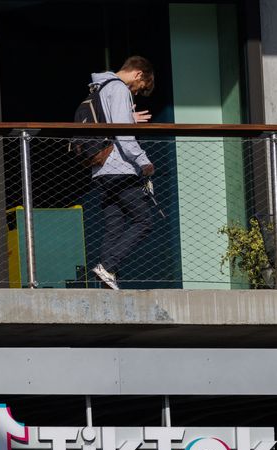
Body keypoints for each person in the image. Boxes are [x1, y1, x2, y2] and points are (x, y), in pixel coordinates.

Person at [89, 56, 156, 290]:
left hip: (100, 169)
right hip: (119, 168)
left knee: (114, 225)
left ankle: (107, 279)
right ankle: (107, 267)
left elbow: (113, 122)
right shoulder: (118, 88)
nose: (136, 92)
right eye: (140, 87)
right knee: (144, 220)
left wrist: (130, 118)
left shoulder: (99, 87)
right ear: (138, 74)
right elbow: (123, 134)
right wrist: (143, 161)